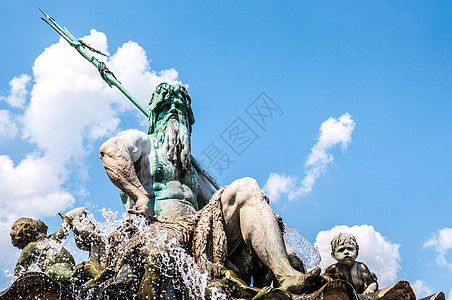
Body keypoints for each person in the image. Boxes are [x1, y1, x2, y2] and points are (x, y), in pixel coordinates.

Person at [99, 82, 322, 293]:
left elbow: (216, 208)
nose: (175, 111)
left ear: (189, 121)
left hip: (197, 233)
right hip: (157, 228)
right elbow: (110, 151)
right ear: (155, 116)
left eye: (181, 109)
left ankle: (286, 276)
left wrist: (260, 212)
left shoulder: (192, 169)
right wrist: (140, 195)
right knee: (164, 245)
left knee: (246, 187)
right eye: (167, 107)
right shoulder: (143, 142)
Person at [10, 213, 75, 281]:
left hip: (69, 267)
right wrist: (18, 282)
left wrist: (66, 220)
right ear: (31, 229)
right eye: (33, 220)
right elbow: (20, 267)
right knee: (54, 270)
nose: (39, 220)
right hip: (54, 271)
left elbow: (63, 230)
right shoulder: (31, 247)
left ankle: (77, 273)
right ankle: (73, 276)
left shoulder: (52, 238)